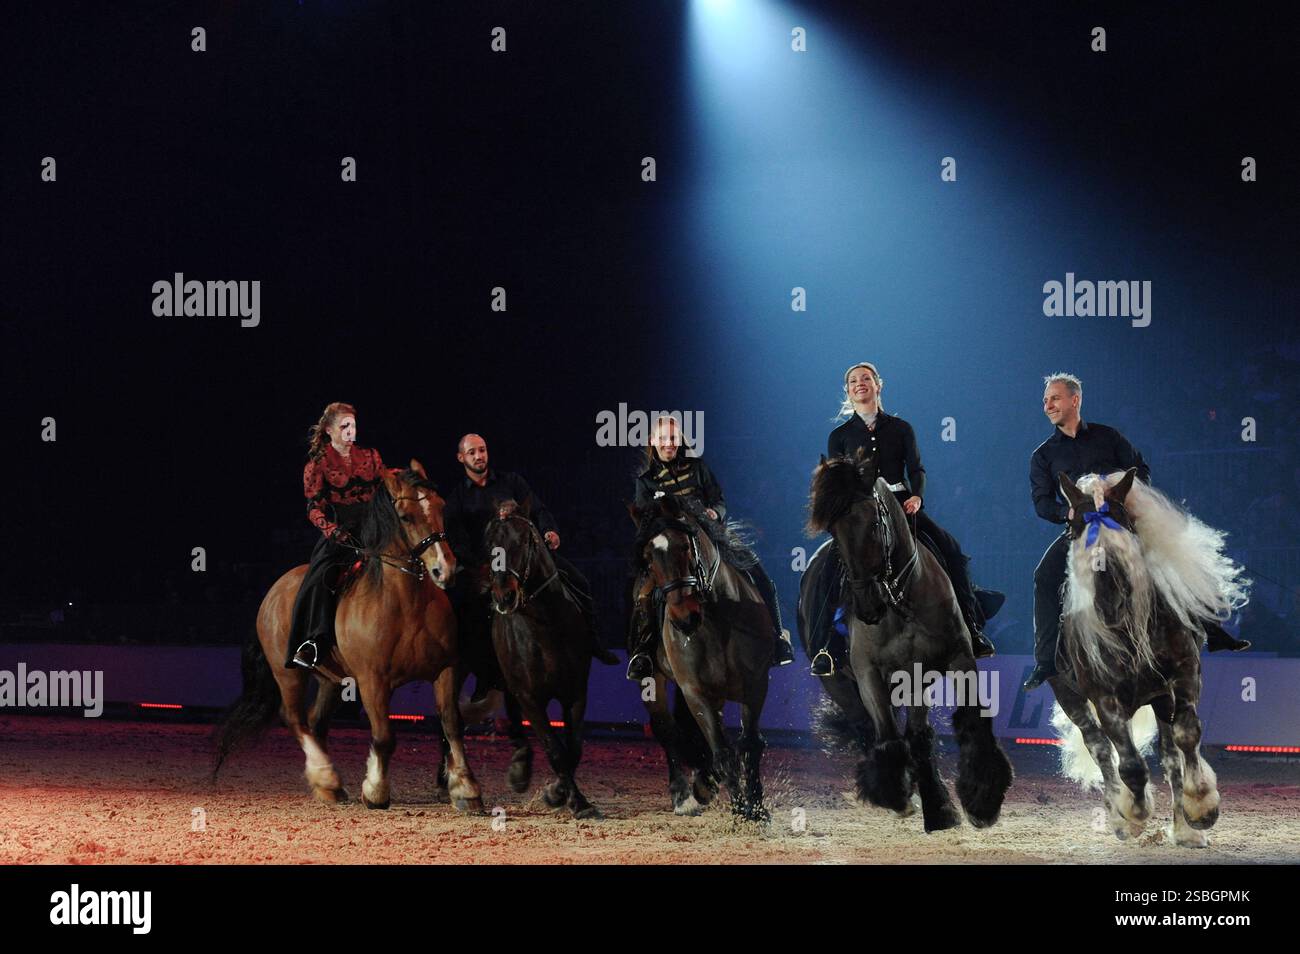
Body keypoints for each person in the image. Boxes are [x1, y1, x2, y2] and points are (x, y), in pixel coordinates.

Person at [1024, 372, 1250, 691]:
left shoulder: (1109, 437)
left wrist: (1118, 485)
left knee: (1176, 557)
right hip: (1085, 530)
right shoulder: (1042, 455)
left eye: (1055, 398)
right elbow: (1042, 502)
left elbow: (1140, 470)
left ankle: (1212, 628)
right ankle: (1046, 661)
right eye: (1046, 400)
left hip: (1122, 521)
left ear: (1075, 400)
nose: (1048, 404)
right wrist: (1067, 510)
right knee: (1043, 577)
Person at [809, 362, 998, 677]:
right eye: (854, 380)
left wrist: (917, 496)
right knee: (828, 566)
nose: (860, 383)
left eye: (866, 378)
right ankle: (826, 645)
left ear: (878, 385)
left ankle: (971, 626)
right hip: (860, 516)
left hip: (901, 505)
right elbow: (836, 483)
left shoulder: (901, 428)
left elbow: (917, 469)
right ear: (848, 391)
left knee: (950, 547)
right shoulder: (839, 436)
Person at [626, 416, 796, 680]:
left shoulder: (697, 466)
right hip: (673, 546)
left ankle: (777, 639)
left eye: (673, 438)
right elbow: (647, 520)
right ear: (653, 442)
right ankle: (644, 652)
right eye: (664, 439)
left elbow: (718, 499)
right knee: (646, 594)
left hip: (710, 534)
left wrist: (715, 513)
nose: (669, 443)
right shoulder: (646, 481)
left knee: (761, 577)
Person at [444, 433, 617, 673]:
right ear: (461, 457)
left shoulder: (511, 482)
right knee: (464, 609)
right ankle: (479, 671)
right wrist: (479, 565)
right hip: (487, 561)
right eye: (472, 452)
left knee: (579, 581)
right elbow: (457, 539)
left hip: (524, 556)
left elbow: (539, 508)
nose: (479, 456)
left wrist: (549, 530)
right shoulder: (457, 498)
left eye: (482, 450)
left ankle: (594, 642)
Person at [287, 402, 386, 670]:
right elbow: (313, 506)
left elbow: (385, 487)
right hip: (341, 531)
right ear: (330, 430)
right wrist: (331, 530)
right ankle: (311, 641)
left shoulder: (371, 456)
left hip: (375, 527)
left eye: (353, 425)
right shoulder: (316, 466)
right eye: (344, 426)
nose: (350, 431)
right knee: (318, 577)